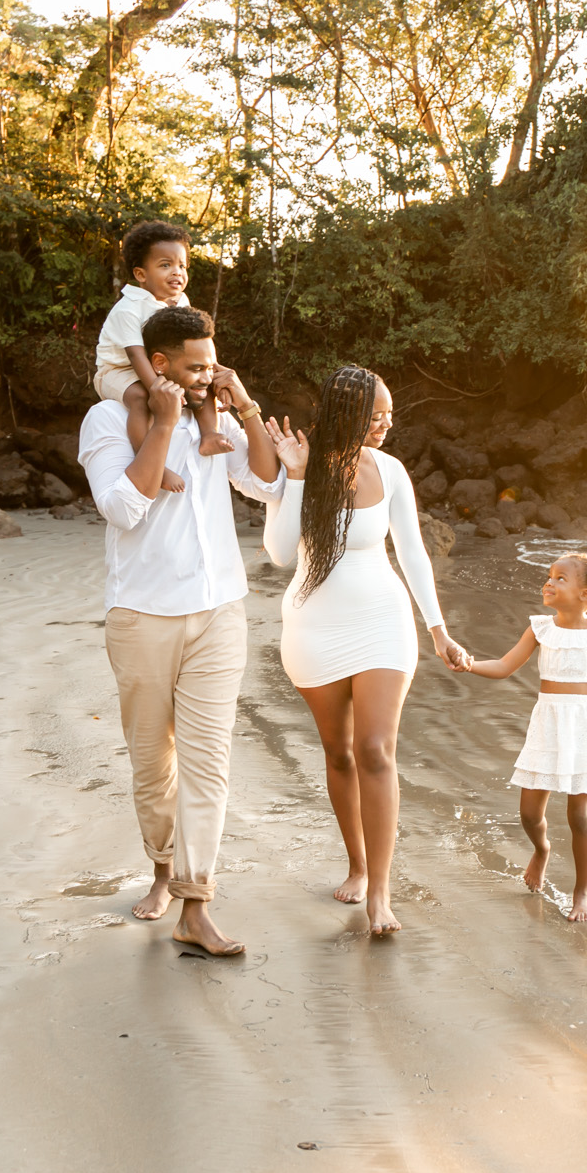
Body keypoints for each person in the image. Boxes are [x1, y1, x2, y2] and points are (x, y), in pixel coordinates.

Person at [78, 305, 281, 957]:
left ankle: (196, 902)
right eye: (194, 366)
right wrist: (164, 424)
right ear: (157, 364)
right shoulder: (110, 419)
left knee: (207, 763)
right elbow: (122, 508)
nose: (207, 375)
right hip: (141, 617)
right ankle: (163, 867)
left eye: (213, 361)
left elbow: (271, 482)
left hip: (219, 612)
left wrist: (243, 405)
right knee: (151, 761)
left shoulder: (212, 419)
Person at [260, 366, 468, 935]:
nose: (385, 425)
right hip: (314, 625)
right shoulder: (300, 462)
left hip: (382, 620)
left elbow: (415, 553)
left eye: (390, 414)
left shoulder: (392, 470)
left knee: (375, 748)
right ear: (345, 413)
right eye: (375, 415)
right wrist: (296, 479)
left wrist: (438, 628)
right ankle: (355, 864)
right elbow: (280, 554)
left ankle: (380, 891)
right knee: (339, 753)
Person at [458, 553, 587, 922]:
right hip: (547, 724)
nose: (549, 582)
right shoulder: (540, 628)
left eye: (561, 578)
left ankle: (582, 891)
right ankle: (541, 849)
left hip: (584, 728)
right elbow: (503, 666)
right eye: (549, 576)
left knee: (580, 816)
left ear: (586, 593)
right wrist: (469, 663)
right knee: (529, 813)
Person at [91, 220, 232, 491]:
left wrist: (215, 375)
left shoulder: (181, 302)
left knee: (203, 382)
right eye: (165, 265)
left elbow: (196, 350)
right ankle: (155, 464)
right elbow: (136, 357)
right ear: (141, 274)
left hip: (161, 366)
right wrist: (160, 391)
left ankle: (210, 433)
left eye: (182, 265)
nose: (177, 272)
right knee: (141, 398)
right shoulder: (128, 309)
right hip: (118, 371)